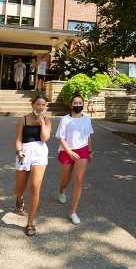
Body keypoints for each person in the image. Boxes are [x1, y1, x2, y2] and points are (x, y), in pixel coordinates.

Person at [14, 94, 52, 237]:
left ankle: (30, 223)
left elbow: (45, 138)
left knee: (35, 186)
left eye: (43, 105)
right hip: (24, 153)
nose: (40, 107)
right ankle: (19, 198)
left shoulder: (47, 121)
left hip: (40, 154)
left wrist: (42, 123)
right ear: (33, 105)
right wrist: (19, 151)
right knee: (19, 189)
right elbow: (18, 139)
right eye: (38, 104)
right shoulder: (23, 119)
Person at [56, 94, 94, 225]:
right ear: (71, 105)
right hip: (67, 150)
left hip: (82, 150)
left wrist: (90, 151)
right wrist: (69, 151)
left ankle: (72, 212)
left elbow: (88, 137)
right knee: (65, 180)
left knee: (78, 180)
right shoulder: (65, 119)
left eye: (80, 103)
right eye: (75, 103)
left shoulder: (87, 119)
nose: (78, 105)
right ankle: (61, 190)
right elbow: (61, 137)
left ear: (83, 104)